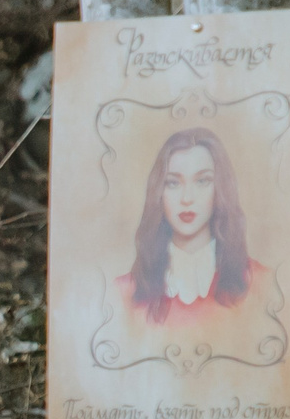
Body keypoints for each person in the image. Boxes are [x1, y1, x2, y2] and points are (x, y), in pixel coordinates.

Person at [112, 127, 266, 324]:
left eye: (202, 181)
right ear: (159, 191)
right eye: (173, 183)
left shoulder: (260, 284)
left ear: (220, 188)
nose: (187, 198)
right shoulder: (122, 295)